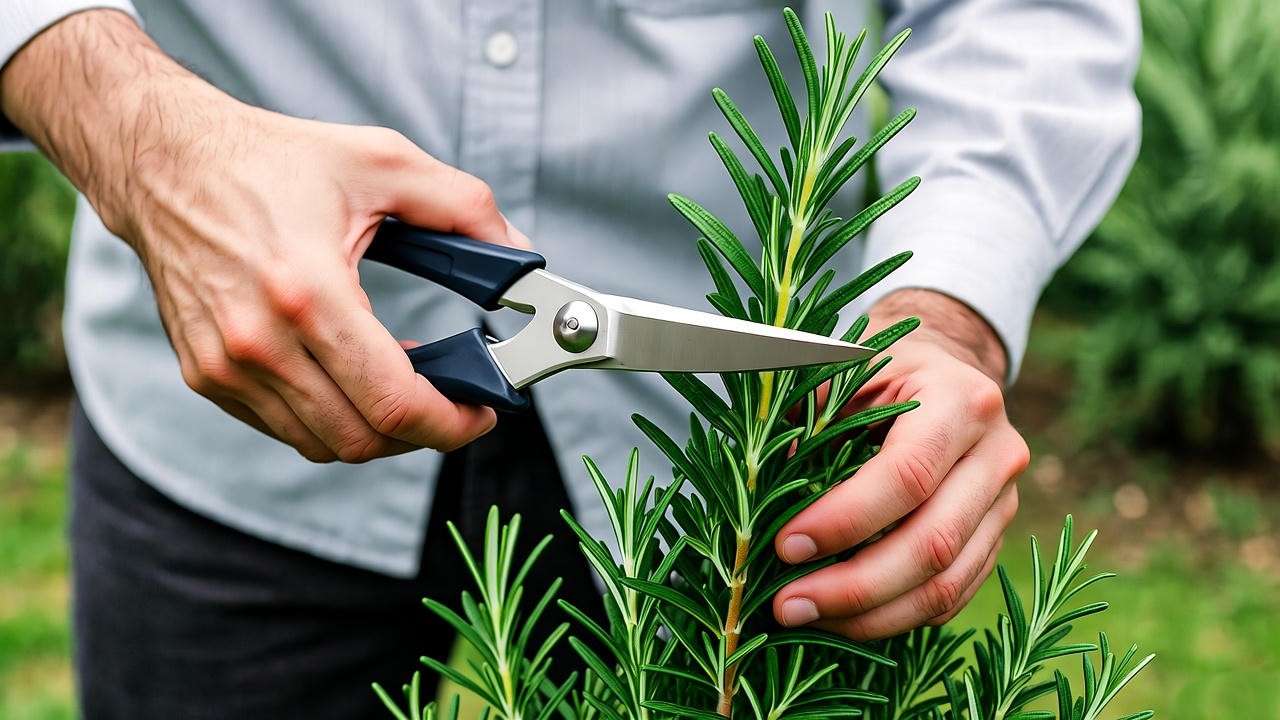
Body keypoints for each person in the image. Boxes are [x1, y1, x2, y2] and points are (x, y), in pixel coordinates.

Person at [0, 1, 1140, 717]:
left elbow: (1030, 19)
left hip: (737, 470)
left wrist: (943, 314)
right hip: (217, 443)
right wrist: (143, 137)